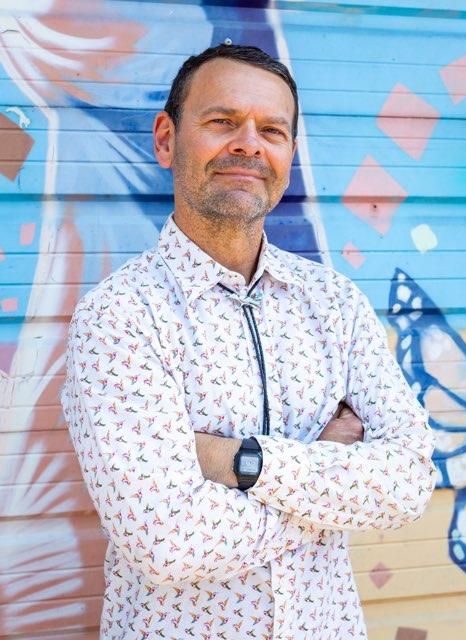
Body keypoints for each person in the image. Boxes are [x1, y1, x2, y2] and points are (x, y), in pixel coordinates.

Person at [62, 44, 436, 640]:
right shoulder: (120, 316)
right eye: (222, 122)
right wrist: (330, 477)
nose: (248, 144)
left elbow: (410, 481)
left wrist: (241, 462)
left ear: (288, 155)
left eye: (271, 130)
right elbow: (165, 540)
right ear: (166, 139)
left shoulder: (334, 305)